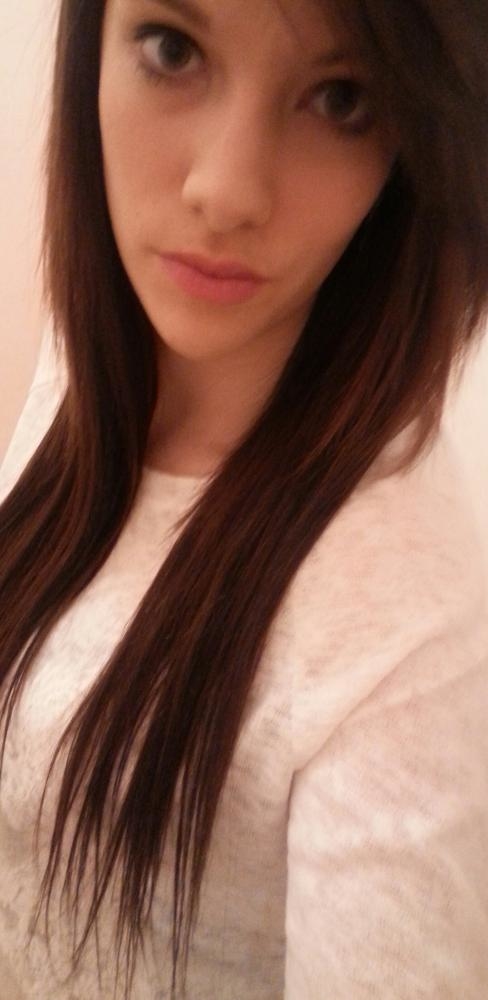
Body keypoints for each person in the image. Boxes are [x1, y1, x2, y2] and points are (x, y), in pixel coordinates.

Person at [0, 0, 488, 997]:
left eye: (340, 100)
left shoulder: (414, 637)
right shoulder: (93, 361)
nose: (225, 192)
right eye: (173, 49)